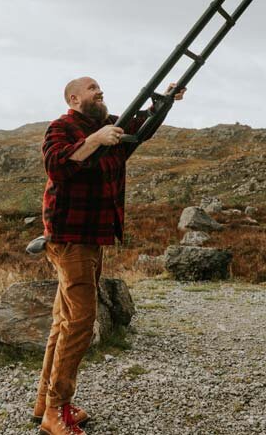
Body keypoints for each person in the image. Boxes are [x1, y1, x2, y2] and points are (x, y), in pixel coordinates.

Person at [34, 76, 185, 435]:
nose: (99, 92)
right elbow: (56, 165)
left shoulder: (109, 125)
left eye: (100, 88)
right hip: (68, 237)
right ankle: (56, 412)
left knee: (64, 321)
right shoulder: (62, 127)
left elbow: (142, 128)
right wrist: (93, 141)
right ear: (74, 98)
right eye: (92, 89)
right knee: (80, 323)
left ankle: (44, 402)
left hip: (91, 237)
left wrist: (165, 99)